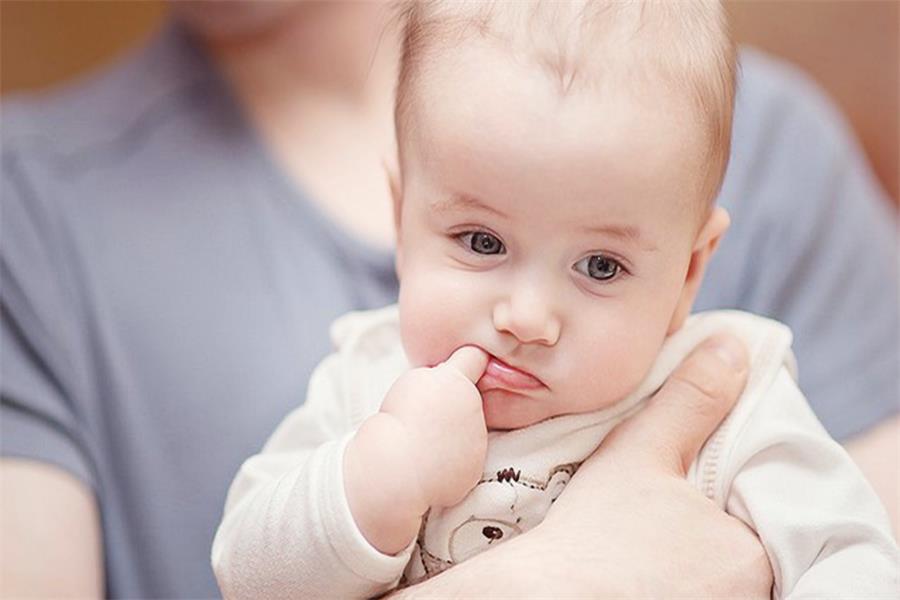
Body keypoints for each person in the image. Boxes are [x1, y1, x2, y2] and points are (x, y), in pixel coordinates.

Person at [1, 2, 896, 598]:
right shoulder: (369, 379)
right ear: (403, 219)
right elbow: (248, 571)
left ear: (694, 270)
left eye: (600, 268)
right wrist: (377, 480)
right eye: (481, 244)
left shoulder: (728, 389)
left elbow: (848, 556)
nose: (528, 316)